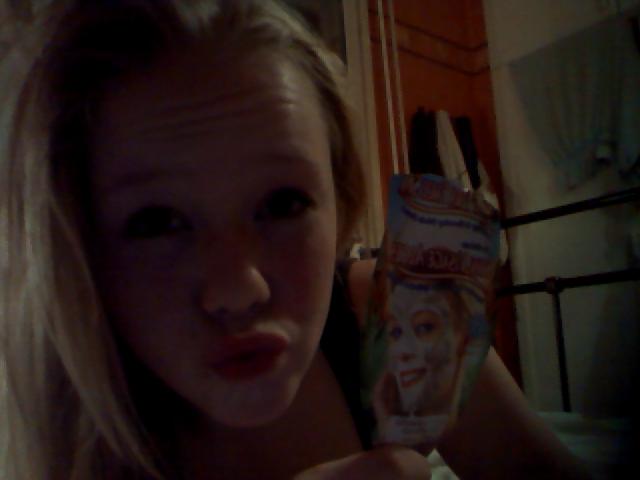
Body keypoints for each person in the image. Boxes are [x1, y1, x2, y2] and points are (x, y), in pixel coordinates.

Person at [0, 1, 590, 479]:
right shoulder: (65, 418)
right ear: (80, 247)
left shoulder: (409, 308)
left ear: (341, 200)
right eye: (156, 222)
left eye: (283, 204)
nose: (239, 289)